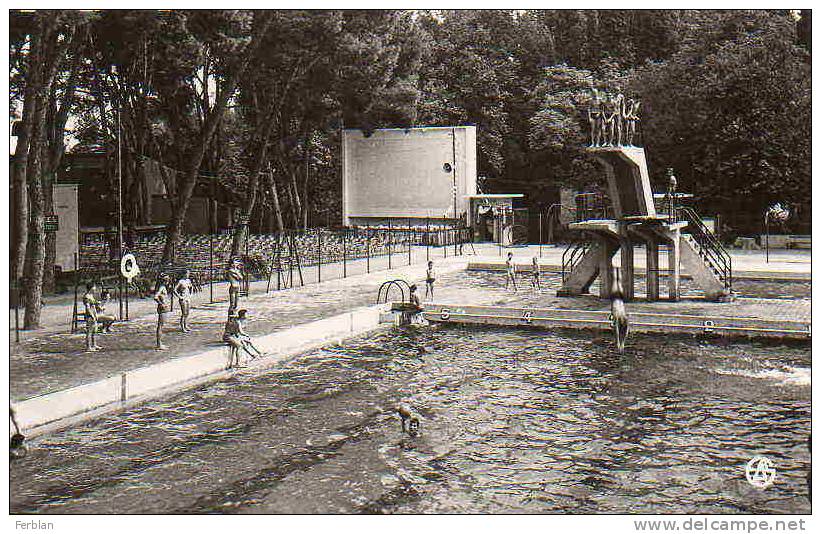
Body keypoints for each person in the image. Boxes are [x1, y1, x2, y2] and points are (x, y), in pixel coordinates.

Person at [610, 267, 629, 353]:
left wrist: (620, 343)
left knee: (618, 281)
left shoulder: (622, 316)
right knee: (616, 280)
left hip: (619, 299)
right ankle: (616, 269)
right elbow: (621, 331)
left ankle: (618, 269)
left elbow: (619, 331)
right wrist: (621, 343)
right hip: (615, 299)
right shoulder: (619, 316)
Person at [82, 282, 102, 352]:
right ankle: (88, 347)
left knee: (95, 331)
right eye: (94, 287)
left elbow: (94, 306)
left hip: (94, 314)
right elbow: (88, 308)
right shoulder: (86, 296)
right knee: (89, 331)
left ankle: (94, 345)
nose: (95, 288)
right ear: (91, 288)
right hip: (90, 316)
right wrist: (92, 315)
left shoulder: (91, 296)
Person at [154, 275, 171, 350]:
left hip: (165, 308)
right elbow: (155, 297)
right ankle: (159, 344)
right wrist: (161, 304)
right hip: (163, 308)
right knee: (160, 326)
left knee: (161, 326)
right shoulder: (162, 287)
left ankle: (160, 343)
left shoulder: (162, 287)